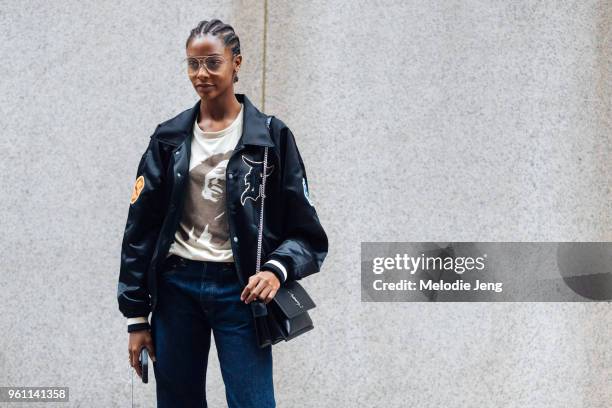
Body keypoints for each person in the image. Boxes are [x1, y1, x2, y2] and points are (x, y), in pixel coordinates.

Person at [117, 18, 329, 408]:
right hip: (176, 289)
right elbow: (140, 230)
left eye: (213, 63)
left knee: (254, 402)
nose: (201, 74)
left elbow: (308, 234)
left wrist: (275, 270)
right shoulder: (168, 138)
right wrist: (137, 318)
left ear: (237, 63)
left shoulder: (270, 138)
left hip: (241, 292)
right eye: (193, 64)